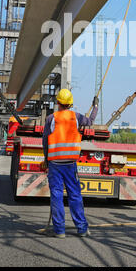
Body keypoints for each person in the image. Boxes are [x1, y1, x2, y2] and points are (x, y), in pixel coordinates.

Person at [42, 89, 98, 238]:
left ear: (58, 102)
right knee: (75, 195)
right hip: (70, 164)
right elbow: (90, 122)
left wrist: (46, 160)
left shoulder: (50, 119)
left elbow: (45, 142)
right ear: (70, 103)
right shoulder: (76, 117)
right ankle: (82, 228)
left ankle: (59, 230)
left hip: (55, 164)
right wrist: (95, 107)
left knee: (56, 196)